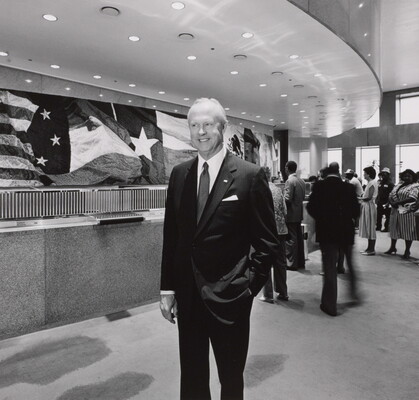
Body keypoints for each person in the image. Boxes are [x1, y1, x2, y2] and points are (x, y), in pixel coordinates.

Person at [160, 98, 280, 400]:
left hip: (231, 297)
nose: (201, 131)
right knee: (192, 376)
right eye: (194, 125)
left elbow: (267, 242)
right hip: (188, 297)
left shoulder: (249, 176)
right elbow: (172, 237)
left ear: (222, 128)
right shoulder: (179, 174)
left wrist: (248, 287)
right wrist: (167, 290)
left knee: (230, 377)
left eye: (207, 125)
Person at [307, 162, 360, 316]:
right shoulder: (349, 187)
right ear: (339, 172)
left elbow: (310, 207)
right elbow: (356, 210)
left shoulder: (319, 187)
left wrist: (322, 219)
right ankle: (354, 293)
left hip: (327, 232)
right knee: (350, 262)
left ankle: (330, 305)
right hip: (346, 231)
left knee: (330, 266)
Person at [259, 170, 289, 303]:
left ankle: (268, 294)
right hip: (281, 230)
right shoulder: (278, 189)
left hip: (267, 230)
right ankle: (283, 292)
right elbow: (285, 211)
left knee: (265, 261)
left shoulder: (261, 189)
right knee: (280, 262)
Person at [386, 169, 419, 259]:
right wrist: (392, 202)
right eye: (405, 176)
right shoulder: (399, 185)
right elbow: (390, 194)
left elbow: (413, 198)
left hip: (406, 211)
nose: (407, 178)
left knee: (407, 231)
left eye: (409, 176)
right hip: (395, 210)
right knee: (393, 229)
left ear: (413, 177)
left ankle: (407, 251)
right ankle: (392, 247)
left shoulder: (415, 186)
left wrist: (397, 203)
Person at [284, 160, 306, 271]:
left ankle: (291, 263)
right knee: (299, 238)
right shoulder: (301, 181)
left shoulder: (289, 181)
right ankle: (300, 261)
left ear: (287, 168)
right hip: (298, 213)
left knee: (291, 239)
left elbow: (287, 199)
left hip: (291, 214)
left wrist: (279, 198)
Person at [359, 166, 378, 255]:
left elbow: (369, 197)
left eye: (365, 173)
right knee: (368, 227)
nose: (364, 175)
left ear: (368, 174)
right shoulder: (370, 183)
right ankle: (368, 248)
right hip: (367, 206)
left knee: (370, 228)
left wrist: (358, 198)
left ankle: (371, 249)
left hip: (370, 206)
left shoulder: (372, 183)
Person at [376, 167, 394, 232]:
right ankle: (378, 226)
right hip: (380, 201)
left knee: (387, 215)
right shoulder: (380, 183)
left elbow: (391, 194)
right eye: (382, 174)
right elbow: (379, 192)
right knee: (378, 215)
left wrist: (388, 202)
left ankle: (386, 227)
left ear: (388, 175)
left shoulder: (390, 184)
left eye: (385, 174)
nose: (383, 175)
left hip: (386, 202)